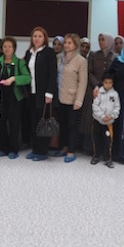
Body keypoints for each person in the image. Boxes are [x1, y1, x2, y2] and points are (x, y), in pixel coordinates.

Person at [0, 36, 31, 159]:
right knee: (1, 121)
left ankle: (13, 149)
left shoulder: (20, 62)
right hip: (0, 95)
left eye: (10, 46)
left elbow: (27, 78)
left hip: (15, 97)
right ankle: (2, 147)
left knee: (14, 123)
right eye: (5, 46)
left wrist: (14, 78)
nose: (7, 49)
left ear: (14, 48)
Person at [24, 26, 58, 161]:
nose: (37, 39)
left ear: (44, 38)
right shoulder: (28, 53)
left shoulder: (49, 52)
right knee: (33, 122)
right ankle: (35, 149)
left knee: (42, 121)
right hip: (31, 94)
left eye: (40, 36)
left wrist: (49, 93)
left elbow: (53, 74)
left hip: (44, 94)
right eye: (35, 36)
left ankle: (42, 151)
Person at [55, 33, 88, 163]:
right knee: (62, 124)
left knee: (72, 125)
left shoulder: (81, 61)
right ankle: (64, 147)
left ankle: (71, 150)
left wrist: (79, 100)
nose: (66, 45)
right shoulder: (59, 57)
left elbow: (83, 82)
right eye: (66, 42)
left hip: (73, 98)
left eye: (70, 43)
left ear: (75, 45)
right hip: (59, 96)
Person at [82, 33, 117, 154]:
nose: (101, 42)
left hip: (108, 92)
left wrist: (107, 86)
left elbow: (115, 74)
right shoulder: (93, 55)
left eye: (103, 39)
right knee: (91, 120)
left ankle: (104, 149)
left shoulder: (115, 57)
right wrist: (97, 85)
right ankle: (89, 148)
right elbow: (89, 72)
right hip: (94, 90)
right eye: (99, 39)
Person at [91, 72, 120, 168]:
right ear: (102, 82)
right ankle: (96, 156)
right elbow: (95, 106)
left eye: (110, 83)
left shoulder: (115, 94)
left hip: (109, 123)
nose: (108, 85)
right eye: (106, 82)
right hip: (98, 120)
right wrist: (102, 116)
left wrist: (111, 116)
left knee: (108, 141)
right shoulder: (99, 92)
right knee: (96, 139)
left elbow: (117, 108)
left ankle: (107, 158)